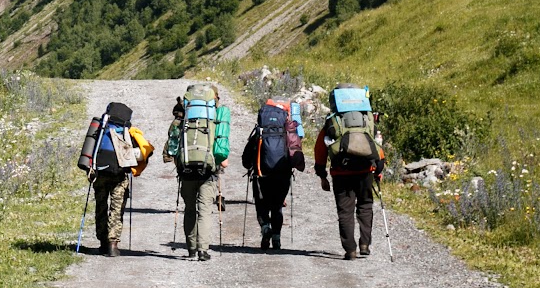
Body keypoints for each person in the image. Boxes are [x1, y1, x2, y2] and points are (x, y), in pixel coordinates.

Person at [314, 86, 387, 259]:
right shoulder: (367, 119)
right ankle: (365, 244)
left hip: (341, 172)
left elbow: (320, 150)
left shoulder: (333, 120)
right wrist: (379, 168)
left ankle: (350, 249)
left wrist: (322, 174)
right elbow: (377, 145)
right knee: (365, 205)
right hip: (365, 170)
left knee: (345, 211)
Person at [165, 86, 229, 261]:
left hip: (186, 173)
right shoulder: (215, 121)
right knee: (205, 212)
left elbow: (170, 151)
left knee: (190, 210)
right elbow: (223, 158)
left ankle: (191, 248)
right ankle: (203, 250)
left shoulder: (182, 120)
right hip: (208, 174)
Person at [86, 104, 152, 256]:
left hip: (100, 173)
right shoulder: (128, 131)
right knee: (116, 208)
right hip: (119, 175)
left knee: (101, 206)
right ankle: (113, 244)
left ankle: (102, 242)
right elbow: (138, 156)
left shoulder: (101, 129)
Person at [241, 100, 306, 251]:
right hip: (282, 175)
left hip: (261, 173)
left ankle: (265, 228)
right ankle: (276, 238)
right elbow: (294, 152)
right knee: (277, 207)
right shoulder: (287, 133)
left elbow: (246, 159)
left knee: (261, 204)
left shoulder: (260, 133)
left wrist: (250, 165)